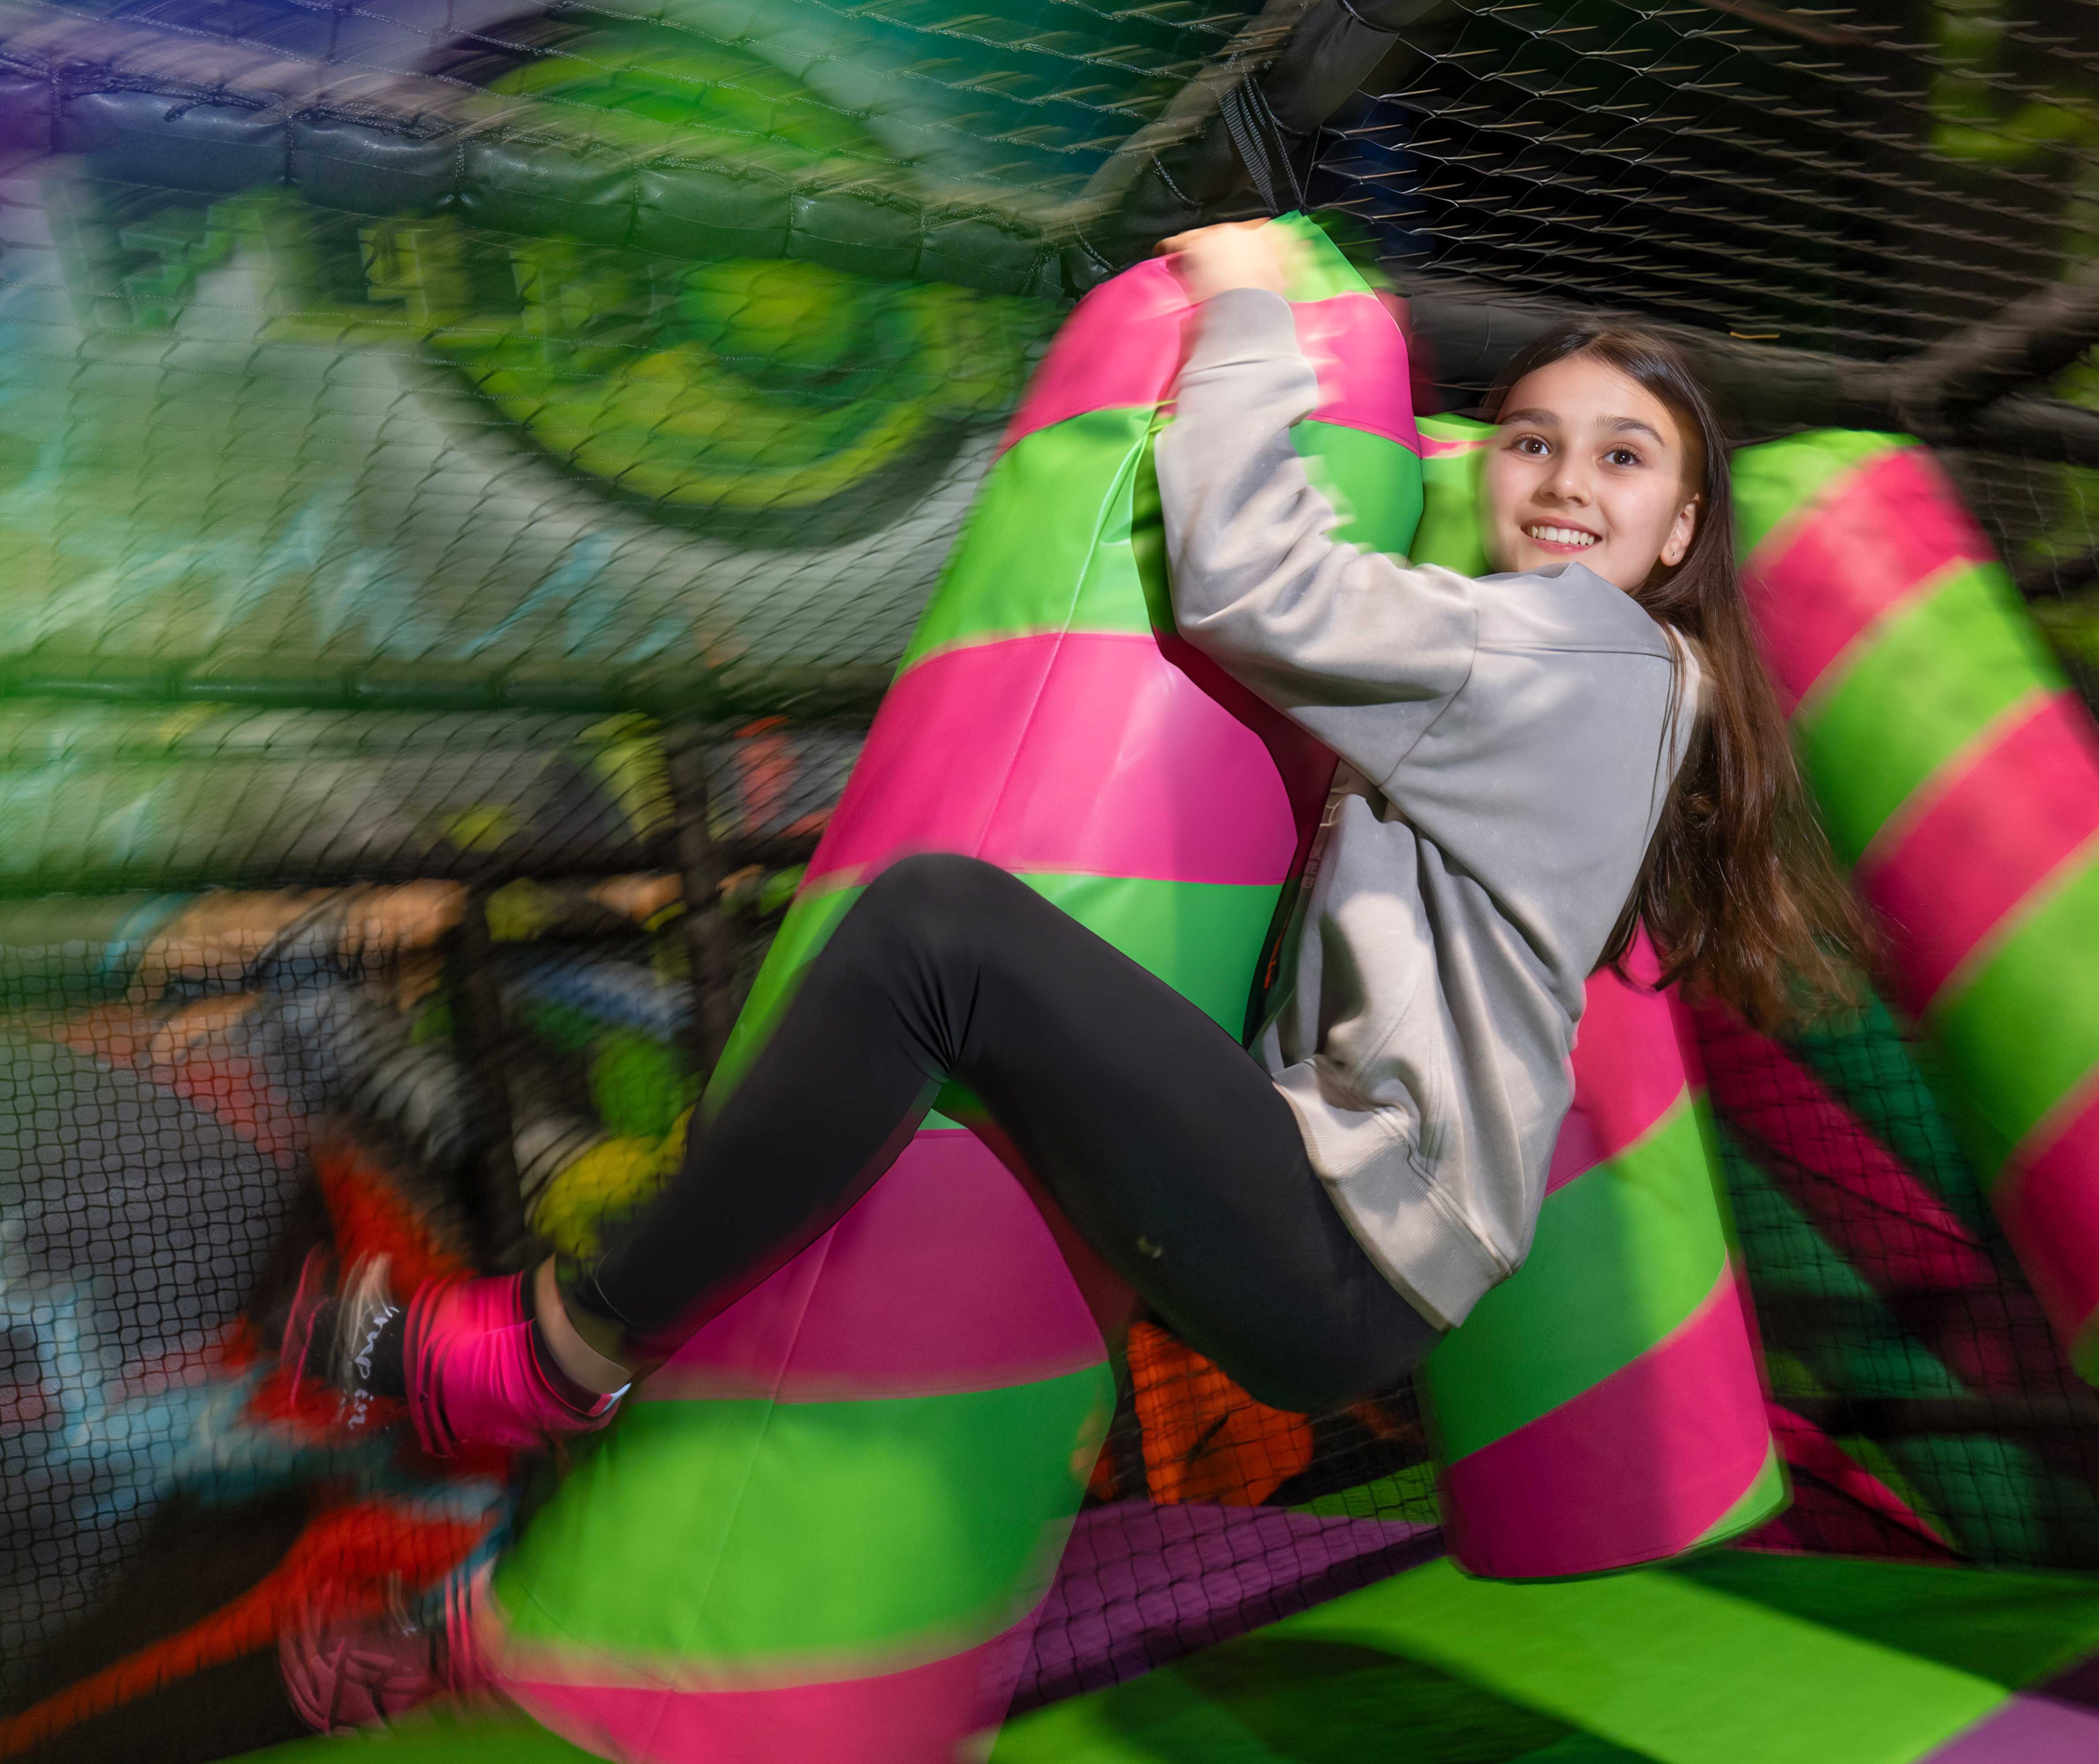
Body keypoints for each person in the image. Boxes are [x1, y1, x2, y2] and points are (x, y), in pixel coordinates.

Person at [280, 220, 1868, 1450]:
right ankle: (496, 1562)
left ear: (1679, 538)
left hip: (1342, 1241)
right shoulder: (1619, 681)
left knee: (935, 938)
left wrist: (1252, 308)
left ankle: (560, 1357)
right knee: (952, 1020)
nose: (1566, 478)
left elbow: (1256, 581)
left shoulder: (1568, 650)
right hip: (1351, 1248)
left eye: (1623, 454)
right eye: (1532, 438)